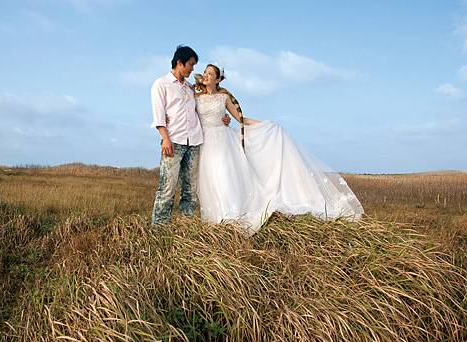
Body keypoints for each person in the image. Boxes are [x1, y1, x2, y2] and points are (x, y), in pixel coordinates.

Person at [194, 63, 364, 234]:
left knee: (224, 175)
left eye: (210, 73)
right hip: (206, 141)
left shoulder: (223, 98)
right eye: (205, 73)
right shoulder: (197, 98)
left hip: (224, 141)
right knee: (209, 178)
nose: (206, 75)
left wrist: (267, 125)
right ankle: (215, 221)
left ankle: (230, 216)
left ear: (217, 79)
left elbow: (240, 118)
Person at [150, 46, 230, 224]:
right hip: (173, 142)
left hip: (194, 142)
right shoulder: (161, 84)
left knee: (191, 190)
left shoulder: (190, 88)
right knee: (167, 188)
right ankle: (158, 229)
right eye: (191, 65)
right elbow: (158, 116)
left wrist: (223, 118)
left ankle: (187, 226)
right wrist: (165, 139)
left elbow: (208, 105)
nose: (193, 69)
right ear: (180, 63)